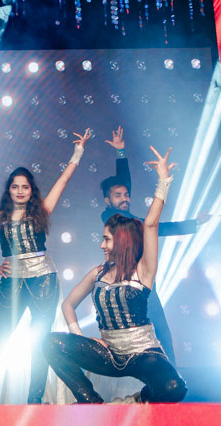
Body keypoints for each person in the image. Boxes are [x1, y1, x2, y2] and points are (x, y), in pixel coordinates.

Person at [44, 146, 187, 404]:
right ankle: (91, 401)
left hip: (143, 354)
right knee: (51, 343)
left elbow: (151, 224)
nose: (101, 245)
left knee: (175, 387)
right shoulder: (98, 272)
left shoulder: (144, 270)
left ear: (121, 242)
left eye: (106, 240)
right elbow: (68, 305)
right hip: (109, 354)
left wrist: (163, 182)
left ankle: (136, 400)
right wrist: (79, 337)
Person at [0, 129, 91, 403]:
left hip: (44, 279)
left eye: (25, 187)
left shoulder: (40, 211)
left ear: (31, 190)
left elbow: (63, 180)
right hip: (11, 282)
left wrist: (78, 152)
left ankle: (34, 402)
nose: (20, 191)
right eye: (15, 186)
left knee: (40, 342)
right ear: (9, 190)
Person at [97, 125, 210, 362]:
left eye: (127, 195)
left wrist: (121, 152)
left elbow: (152, 223)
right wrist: (192, 224)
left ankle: (172, 375)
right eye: (118, 196)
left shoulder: (131, 217)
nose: (125, 198)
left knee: (161, 331)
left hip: (143, 279)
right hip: (122, 282)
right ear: (107, 200)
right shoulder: (111, 217)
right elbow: (154, 225)